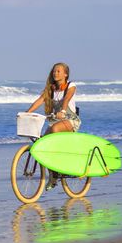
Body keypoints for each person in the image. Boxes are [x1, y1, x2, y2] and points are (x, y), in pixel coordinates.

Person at [26, 62, 81, 190]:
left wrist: (62, 111)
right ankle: (53, 174)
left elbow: (67, 98)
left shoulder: (70, 85)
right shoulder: (51, 89)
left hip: (70, 121)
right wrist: (27, 113)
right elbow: (40, 100)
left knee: (55, 129)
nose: (55, 73)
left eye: (58, 71)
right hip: (55, 122)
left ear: (65, 74)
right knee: (41, 144)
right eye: (54, 71)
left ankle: (64, 163)